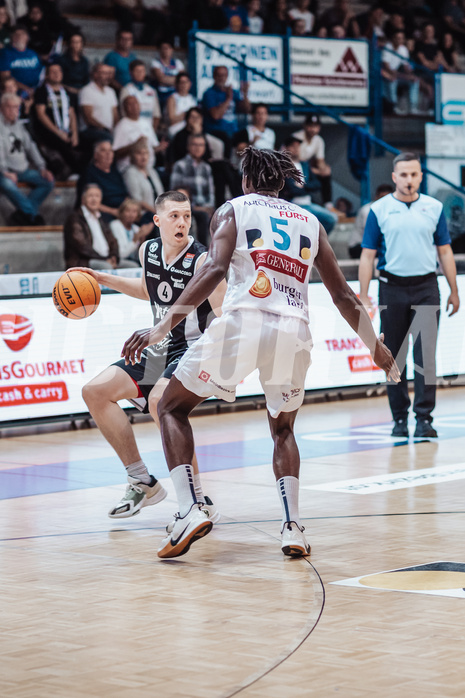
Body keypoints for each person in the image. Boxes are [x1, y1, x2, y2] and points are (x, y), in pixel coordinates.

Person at [122, 147, 399, 559]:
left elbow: (213, 269)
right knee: (283, 429)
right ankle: (293, 527)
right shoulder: (310, 221)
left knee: (171, 408)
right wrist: (374, 346)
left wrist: (162, 326)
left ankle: (189, 508)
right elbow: (342, 294)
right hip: (294, 328)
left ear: (247, 180)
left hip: (243, 321)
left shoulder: (233, 209)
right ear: (282, 181)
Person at [74, 190, 226, 521]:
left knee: (161, 403)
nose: (182, 222)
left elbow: (225, 318)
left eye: (186, 216)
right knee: (95, 392)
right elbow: (147, 289)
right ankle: (142, 480)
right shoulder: (149, 250)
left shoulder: (203, 261)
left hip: (196, 347)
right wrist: (101, 278)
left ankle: (197, 499)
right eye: (174, 216)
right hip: (160, 347)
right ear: (157, 221)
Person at [359, 152, 460, 439]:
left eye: (414, 174)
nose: (409, 179)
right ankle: (399, 419)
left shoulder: (434, 207)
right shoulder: (378, 210)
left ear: (421, 176)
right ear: (394, 177)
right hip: (391, 287)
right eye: (403, 174)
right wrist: (364, 294)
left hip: (427, 287)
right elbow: (368, 256)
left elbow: (444, 251)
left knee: (425, 357)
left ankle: (425, 419)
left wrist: (454, 290)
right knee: (394, 358)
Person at [0, 92, 54, 225]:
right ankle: (32, 215)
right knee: (7, 184)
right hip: (3, 171)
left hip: (22, 169)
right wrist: (4, 171)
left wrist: (42, 167)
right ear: (2, 107)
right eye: (9, 107)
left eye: (16, 107)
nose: (13, 111)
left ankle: (23, 213)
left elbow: (31, 147)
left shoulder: (19, 125)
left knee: (48, 182)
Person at [64, 183, 137, 269]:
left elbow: (113, 241)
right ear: (83, 199)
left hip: (105, 259)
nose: (94, 199)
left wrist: (113, 256)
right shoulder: (74, 218)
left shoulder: (101, 218)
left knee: (133, 266)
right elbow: (82, 247)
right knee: (106, 267)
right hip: (84, 261)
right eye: (90, 196)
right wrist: (105, 259)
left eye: (97, 196)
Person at [281, 135, 338, 234]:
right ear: (285, 148)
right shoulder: (283, 166)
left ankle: (316, 243)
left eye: (298, 146)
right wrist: (305, 187)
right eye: (292, 146)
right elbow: (291, 189)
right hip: (292, 205)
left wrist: (304, 186)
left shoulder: (305, 165)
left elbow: (317, 184)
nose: (296, 149)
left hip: (308, 203)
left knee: (331, 219)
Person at [34, 62, 82, 178]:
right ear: (47, 75)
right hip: (49, 131)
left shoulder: (66, 92)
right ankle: (74, 172)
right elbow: (41, 115)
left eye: (59, 71)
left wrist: (75, 133)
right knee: (60, 143)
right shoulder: (41, 92)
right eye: (53, 72)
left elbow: (72, 113)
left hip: (66, 129)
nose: (57, 74)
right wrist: (59, 133)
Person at [170, 133, 215, 245]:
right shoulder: (180, 166)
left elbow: (211, 193)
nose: (198, 148)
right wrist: (196, 208)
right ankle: (202, 251)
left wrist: (209, 207)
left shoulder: (206, 167)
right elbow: (175, 194)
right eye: (194, 144)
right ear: (188, 147)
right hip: (188, 208)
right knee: (202, 217)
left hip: (205, 208)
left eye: (201, 145)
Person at [201, 64, 250, 157]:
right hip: (216, 130)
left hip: (233, 130)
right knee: (226, 139)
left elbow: (246, 109)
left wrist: (245, 94)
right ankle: (227, 165)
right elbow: (216, 115)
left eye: (224, 75)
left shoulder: (232, 92)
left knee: (244, 134)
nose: (221, 78)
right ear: (214, 76)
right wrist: (228, 99)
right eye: (219, 75)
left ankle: (243, 166)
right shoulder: (209, 93)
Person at [80, 139, 129, 220]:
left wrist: (125, 209)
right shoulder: (89, 173)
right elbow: (87, 200)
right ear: (95, 155)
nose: (108, 154)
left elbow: (125, 195)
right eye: (103, 151)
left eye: (110, 151)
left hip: (122, 211)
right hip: (104, 213)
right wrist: (113, 211)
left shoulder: (115, 172)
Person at [112, 95, 161, 173]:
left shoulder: (146, 123)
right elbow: (116, 153)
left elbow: (153, 147)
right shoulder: (121, 126)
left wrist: (160, 147)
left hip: (149, 169)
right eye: (130, 104)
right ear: (124, 108)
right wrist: (135, 145)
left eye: (135, 103)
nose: (134, 106)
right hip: (130, 170)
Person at [292, 114, 332, 205]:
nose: (313, 129)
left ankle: (328, 204)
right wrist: (316, 171)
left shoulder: (319, 140)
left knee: (326, 174)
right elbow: (296, 160)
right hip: (294, 166)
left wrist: (324, 170)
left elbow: (320, 161)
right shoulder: (297, 137)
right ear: (305, 126)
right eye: (310, 126)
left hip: (306, 167)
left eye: (315, 126)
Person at [79, 63, 119, 151]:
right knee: (107, 138)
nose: (108, 76)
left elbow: (115, 115)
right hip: (90, 130)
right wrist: (106, 129)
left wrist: (116, 129)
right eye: (104, 73)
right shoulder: (87, 90)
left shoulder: (111, 92)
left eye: (109, 73)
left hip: (108, 131)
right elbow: (88, 118)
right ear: (95, 74)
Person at [348, 183, 393, 259]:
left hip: (374, 246)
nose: (384, 201)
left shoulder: (390, 210)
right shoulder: (368, 210)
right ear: (376, 197)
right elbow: (372, 235)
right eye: (382, 197)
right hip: (358, 247)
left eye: (387, 198)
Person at [123, 140, 164, 221]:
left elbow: (161, 194)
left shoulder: (152, 171)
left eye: (145, 153)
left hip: (158, 213)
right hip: (143, 215)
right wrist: (157, 213)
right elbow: (137, 200)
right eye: (139, 153)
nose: (143, 156)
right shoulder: (130, 173)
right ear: (132, 156)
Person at [381, 30, 420, 115]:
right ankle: (393, 106)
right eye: (398, 38)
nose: (400, 40)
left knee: (415, 80)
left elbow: (406, 67)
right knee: (393, 80)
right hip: (384, 76)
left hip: (396, 75)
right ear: (393, 39)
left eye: (402, 38)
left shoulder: (403, 49)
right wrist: (400, 75)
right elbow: (387, 67)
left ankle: (413, 107)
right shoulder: (387, 48)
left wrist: (410, 75)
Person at [0, 25, 42, 96]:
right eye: (16, 34)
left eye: (23, 34)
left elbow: (42, 72)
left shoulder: (32, 53)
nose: (19, 36)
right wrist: (26, 89)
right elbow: (5, 76)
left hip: (36, 89)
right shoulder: (5, 53)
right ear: (11, 37)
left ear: (27, 37)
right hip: (16, 91)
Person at [119, 59, 161, 131]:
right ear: (131, 73)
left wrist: (152, 131)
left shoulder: (151, 90)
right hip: (133, 129)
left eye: (142, 71)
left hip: (149, 129)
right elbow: (124, 114)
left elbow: (156, 115)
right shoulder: (126, 90)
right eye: (137, 71)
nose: (140, 73)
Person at [109, 198, 153, 263]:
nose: (131, 214)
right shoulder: (115, 225)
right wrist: (136, 238)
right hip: (119, 260)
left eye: (134, 211)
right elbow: (122, 254)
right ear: (122, 212)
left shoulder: (136, 228)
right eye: (128, 211)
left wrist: (142, 238)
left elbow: (138, 256)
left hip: (133, 260)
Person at [150, 41, 185, 110]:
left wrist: (166, 78)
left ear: (172, 49)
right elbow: (161, 79)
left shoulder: (178, 63)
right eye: (163, 48)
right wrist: (176, 80)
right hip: (161, 95)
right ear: (159, 50)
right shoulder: (155, 63)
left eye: (167, 48)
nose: (165, 51)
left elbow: (182, 79)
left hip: (175, 94)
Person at [165, 71, 197, 137]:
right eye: (181, 82)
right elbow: (172, 120)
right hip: (177, 129)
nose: (184, 84)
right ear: (177, 84)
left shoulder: (193, 99)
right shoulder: (172, 98)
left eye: (186, 82)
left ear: (190, 84)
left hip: (192, 129)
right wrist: (188, 114)